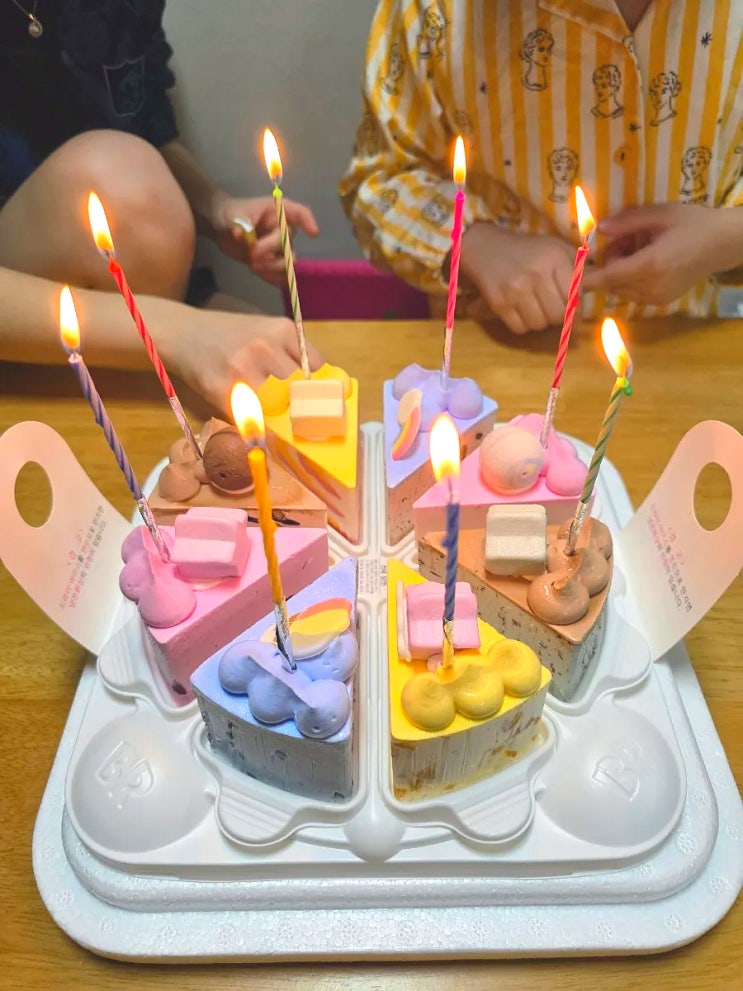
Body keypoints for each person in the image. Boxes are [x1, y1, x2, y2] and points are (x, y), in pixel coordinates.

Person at [339, 0, 743, 335]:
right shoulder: (434, 10)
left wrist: (726, 237)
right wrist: (475, 243)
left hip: (687, 354)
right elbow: (377, 183)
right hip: (494, 358)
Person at [0, 0, 323, 414]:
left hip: (146, 301)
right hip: (27, 316)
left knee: (293, 373)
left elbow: (146, 127)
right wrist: (182, 333)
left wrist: (216, 209)